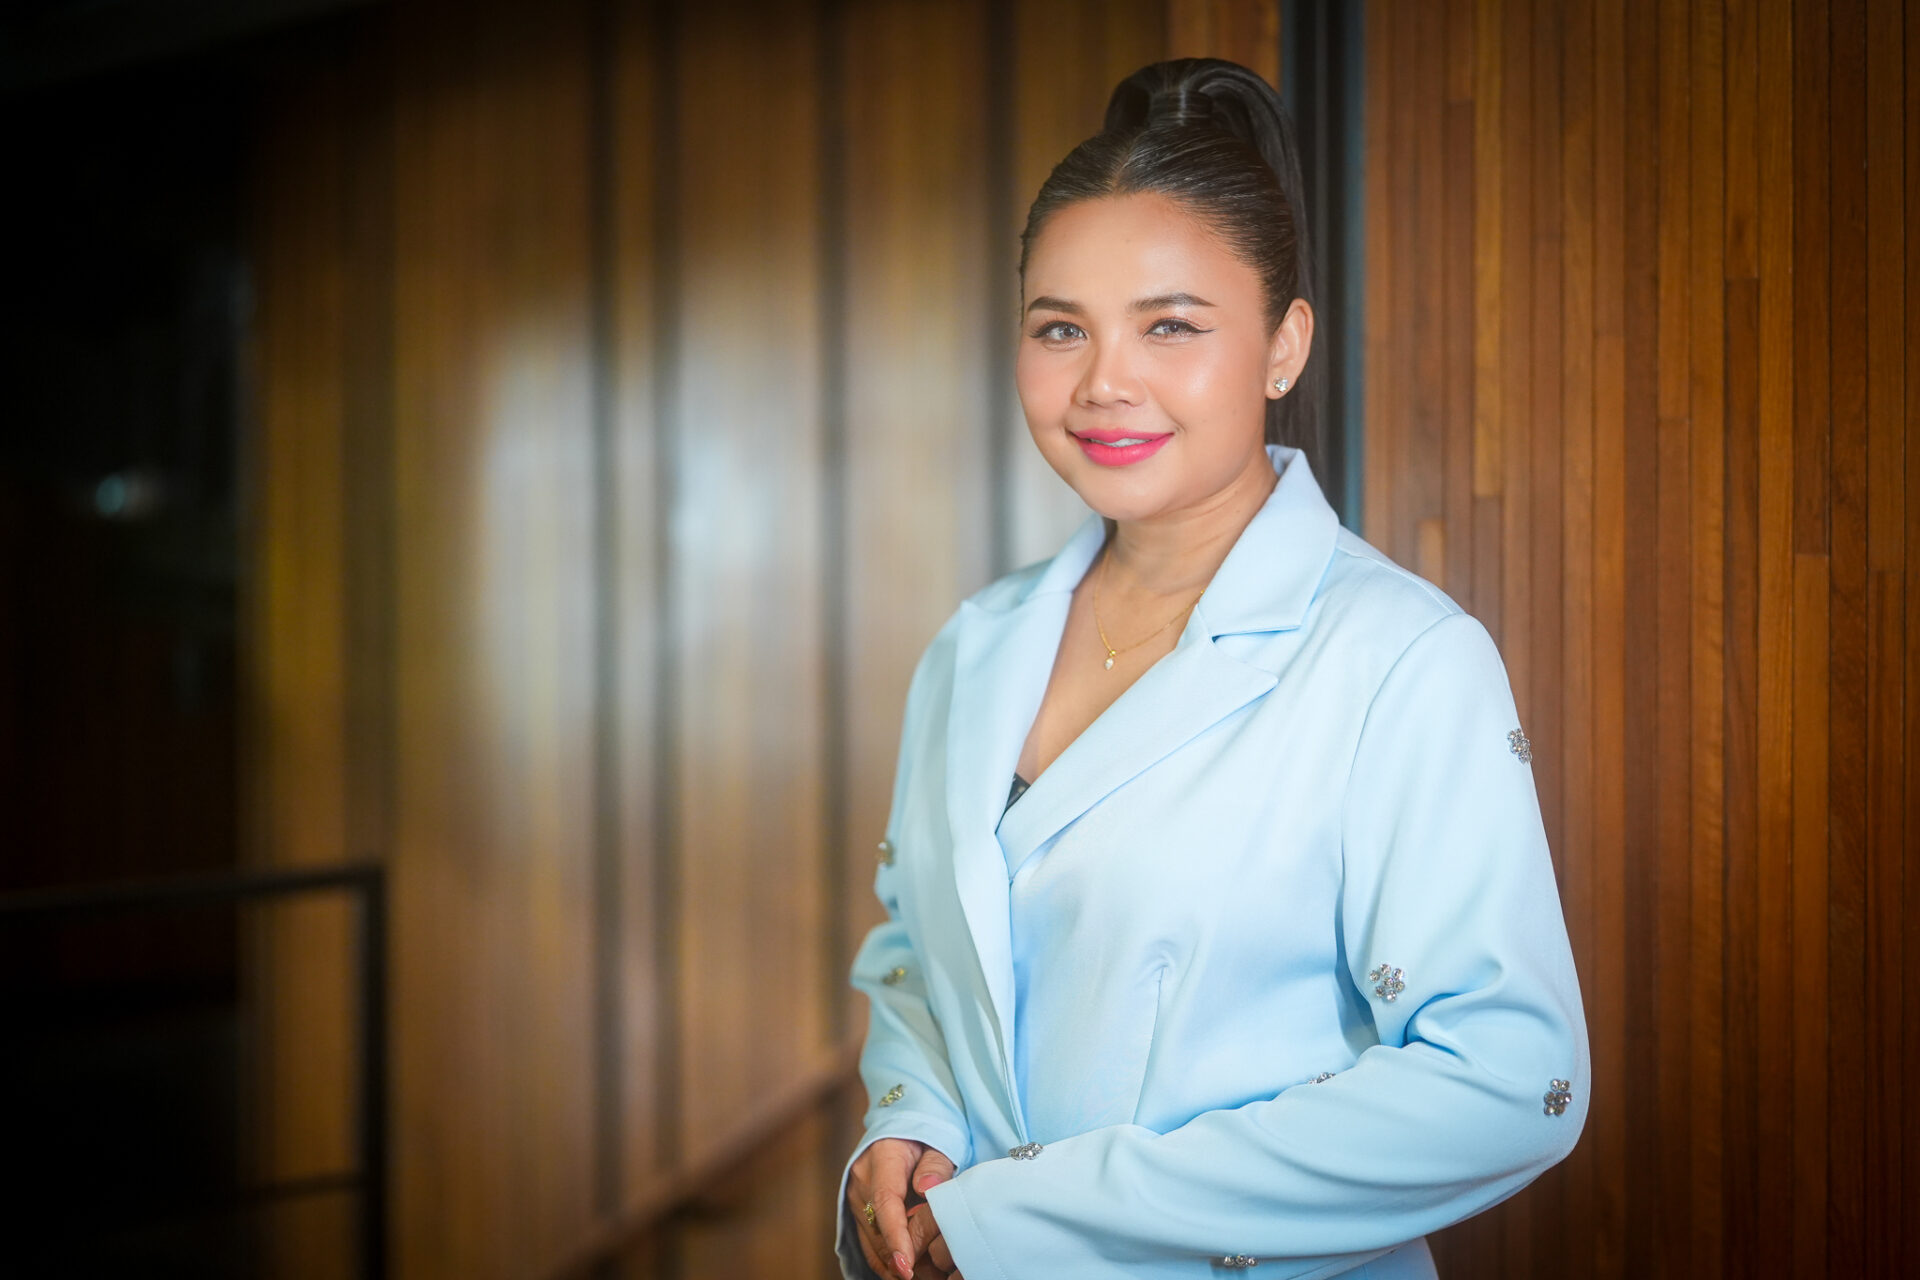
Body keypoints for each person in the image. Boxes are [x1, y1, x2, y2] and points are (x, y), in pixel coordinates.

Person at [836, 57, 1587, 1280]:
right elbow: (920, 948)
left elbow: (1512, 1080)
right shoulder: (976, 642)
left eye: (1170, 325)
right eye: (1060, 328)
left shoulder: (1399, 659)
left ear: (1285, 345)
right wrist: (910, 1117)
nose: (1103, 382)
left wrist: (1033, 1221)